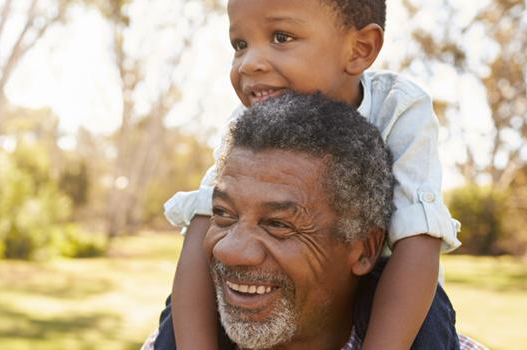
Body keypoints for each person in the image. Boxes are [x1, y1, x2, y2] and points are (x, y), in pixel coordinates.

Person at [163, 0, 462, 348]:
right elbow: (203, 220)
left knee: (429, 310)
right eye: (240, 44)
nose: (250, 63)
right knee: (183, 308)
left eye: (281, 37)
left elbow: (418, 239)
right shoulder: (243, 123)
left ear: (359, 48)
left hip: (389, 288)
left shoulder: (399, 107)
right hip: (285, 298)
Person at [145, 92, 465, 350]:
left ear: (365, 250)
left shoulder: (401, 107)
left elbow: (421, 241)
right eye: (224, 215)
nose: (230, 251)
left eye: (278, 224)